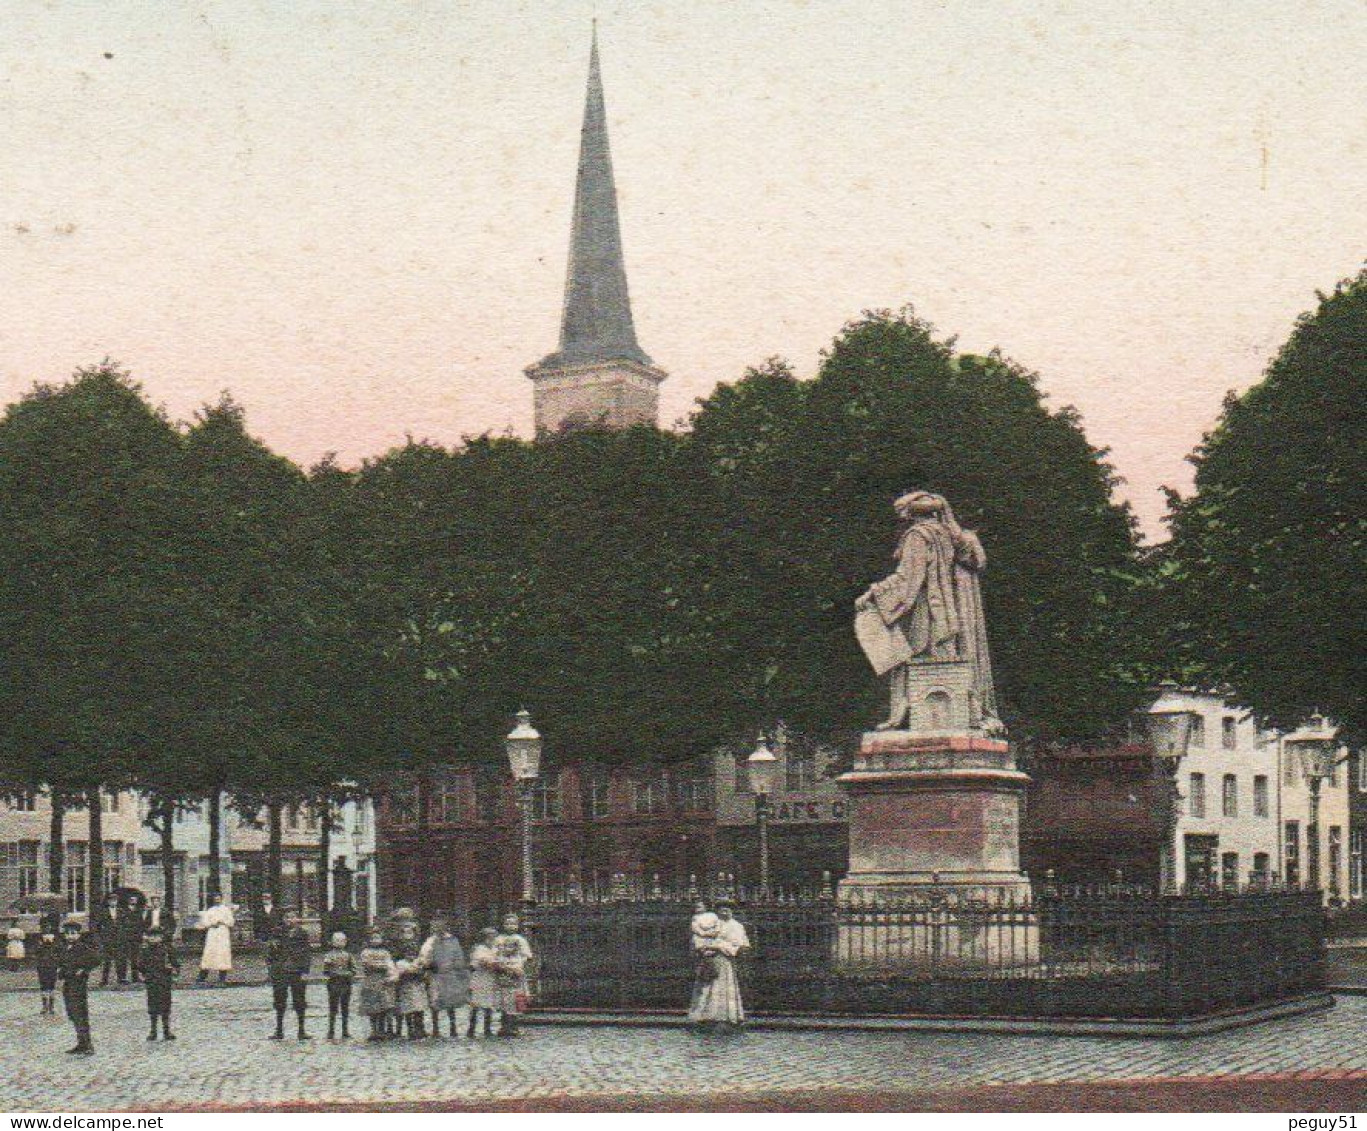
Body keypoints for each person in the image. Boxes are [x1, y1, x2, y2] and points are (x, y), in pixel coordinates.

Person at [687, 911, 744, 1029]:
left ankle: (728, 1016)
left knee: (725, 988)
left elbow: (738, 945)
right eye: (721, 907)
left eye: (727, 907)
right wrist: (705, 949)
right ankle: (705, 1015)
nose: (724, 910)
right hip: (710, 960)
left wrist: (721, 947)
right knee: (707, 988)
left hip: (725, 961)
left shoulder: (737, 926)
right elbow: (699, 939)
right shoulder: (711, 923)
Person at [418, 916, 469, 1038]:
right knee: (435, 1000)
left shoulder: (452, 940)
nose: (438, 929)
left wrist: (456, 967)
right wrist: (428, 964)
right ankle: (436, 1029)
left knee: (450, 1001)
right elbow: (424, 955)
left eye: (441, 926)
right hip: (435, 974)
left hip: (450, 975)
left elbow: (458, 956)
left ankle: (453, 1027)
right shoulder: (430, 941)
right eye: (435, 927)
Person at [57, 920, 101, 1054]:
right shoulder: (64, 949)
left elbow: (97, 958)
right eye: (68, 933)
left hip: (78, 985)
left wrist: (84, 969)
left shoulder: (82, 948)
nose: (70, 936)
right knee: (72, 1014)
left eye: (73, 933)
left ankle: (88, 1045)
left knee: (80, 1014)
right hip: (68, 984)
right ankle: (80, 1043)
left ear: (79, 935)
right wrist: (60, 970)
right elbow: (60, 962)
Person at [267, 921, 312, 1040]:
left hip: (297, 971)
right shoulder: (278, 932)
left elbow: (307, 953)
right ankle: (279, 1030)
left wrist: (305, 971)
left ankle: (301, 1031)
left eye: (293, 916)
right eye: (287, 917)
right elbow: (270, 953)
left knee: (300, 1001)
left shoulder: (302, 934)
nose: (290, 920)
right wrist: (272, 969)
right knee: (279, 1001)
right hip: (280, 972)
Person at [491, 914, 533, 1037]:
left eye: (513, 923)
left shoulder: (520, 939)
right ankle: (504, 1026)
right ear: (503, 925)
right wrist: (499, 964)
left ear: (517, 925)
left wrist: (519, 965)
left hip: (516, 970)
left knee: (515, 999)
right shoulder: (498, 939)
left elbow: (526, 955)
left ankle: (514, 1026)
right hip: (502, 971)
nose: (510, 926)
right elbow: (494, 953)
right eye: (507, 923)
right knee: (504, 1000)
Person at [136, 926, 180, 1041]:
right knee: (152, 1006)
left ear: (161, 937)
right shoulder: (144, 950)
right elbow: (140, 965)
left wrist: (174, 970)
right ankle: (153, 1030)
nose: (153, 939)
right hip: (152, 981)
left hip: (165, 980)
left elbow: (175, 963)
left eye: (156, 936)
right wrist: (144, 974)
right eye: (151, 936)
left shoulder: (167, 949)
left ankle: (167, 1030)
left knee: (166, 1005)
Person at [358, 931, 397, 1041]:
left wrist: (386, 969)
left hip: (383, 981)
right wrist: (380, 965)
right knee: (372, 1007)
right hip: (371, 981)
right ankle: (374, 1030)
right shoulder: (366, 952)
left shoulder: (385, 952)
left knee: (383, 1006)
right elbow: (367, 964)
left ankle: (382, 1030)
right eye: (373, 938)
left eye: (378, 938)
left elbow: (389, 965)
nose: (375, 940)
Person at [321, 931, 357, 1040]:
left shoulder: (348, 955)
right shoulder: (329, 955)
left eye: (342, 940)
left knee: (345, 1007)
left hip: (346, 983)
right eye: (336, 940)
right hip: (334, 983)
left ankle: (345, 1030)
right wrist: (336, 973)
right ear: (332, 942)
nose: (339, 943)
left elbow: (354, 969)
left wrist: (348, 974)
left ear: (346, 942)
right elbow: (326, 970)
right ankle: (331, 1030)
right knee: (333, 1007)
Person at [466, 927, 499, 1039]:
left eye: (493, 938)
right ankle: (471, 1028)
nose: (491, 940)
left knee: (489, 1005)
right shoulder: (479, 949)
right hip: (479, 979)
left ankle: (487, 1029)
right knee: (476, 1004)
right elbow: (479, 963)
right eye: (488, 938)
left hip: (490, 979)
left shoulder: (496, 949)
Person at [196, 893, 234, 984]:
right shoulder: (210, 910)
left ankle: (222, 978)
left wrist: (223, 921)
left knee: (223, 954)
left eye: (218, 899)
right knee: (209, 953)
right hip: (212, 933)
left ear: (221, 899)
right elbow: (204, 922)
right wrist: (211, 924)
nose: (217, 900)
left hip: (223, 933)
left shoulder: (226, 910)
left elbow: (231, 922)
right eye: (215, 899)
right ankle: (202, 976)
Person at [94, 892, 128, 986]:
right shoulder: (102, 912)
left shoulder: (122, 911)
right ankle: (104, 980)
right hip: (107, 939)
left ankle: (121, 978)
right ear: (108, 901)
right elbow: (97, 926)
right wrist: (101, 937)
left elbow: (126, 925)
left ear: (117, 901)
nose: (113, 902)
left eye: (115, 900)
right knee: (107, 960)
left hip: (119, 939)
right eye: (111, 900)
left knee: (120, 959)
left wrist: (123, 935)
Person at [394, 953, 428, 1039]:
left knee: (419, 1009)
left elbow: (424, 972)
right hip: (406, 988)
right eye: (408, 953)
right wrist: (410, 972)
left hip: (418, 986)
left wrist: (419, 972)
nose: (411, 956)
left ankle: (419, 1030)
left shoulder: (419, 961)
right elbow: (400, 975)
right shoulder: (400, 963)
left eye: (413, 953)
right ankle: (410, 1030)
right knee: (408, 1010)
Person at [32, 927, 60, 1015]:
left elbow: (59, 956)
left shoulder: (55, 947)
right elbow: (36, 954)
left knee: (52, 987)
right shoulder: (40, 948)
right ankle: (44, 1006)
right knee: (43, 987)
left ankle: (51, 1007)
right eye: (46, 936)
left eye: (50, 936)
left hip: (52, 968)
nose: (48, 938)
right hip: (42, 969)